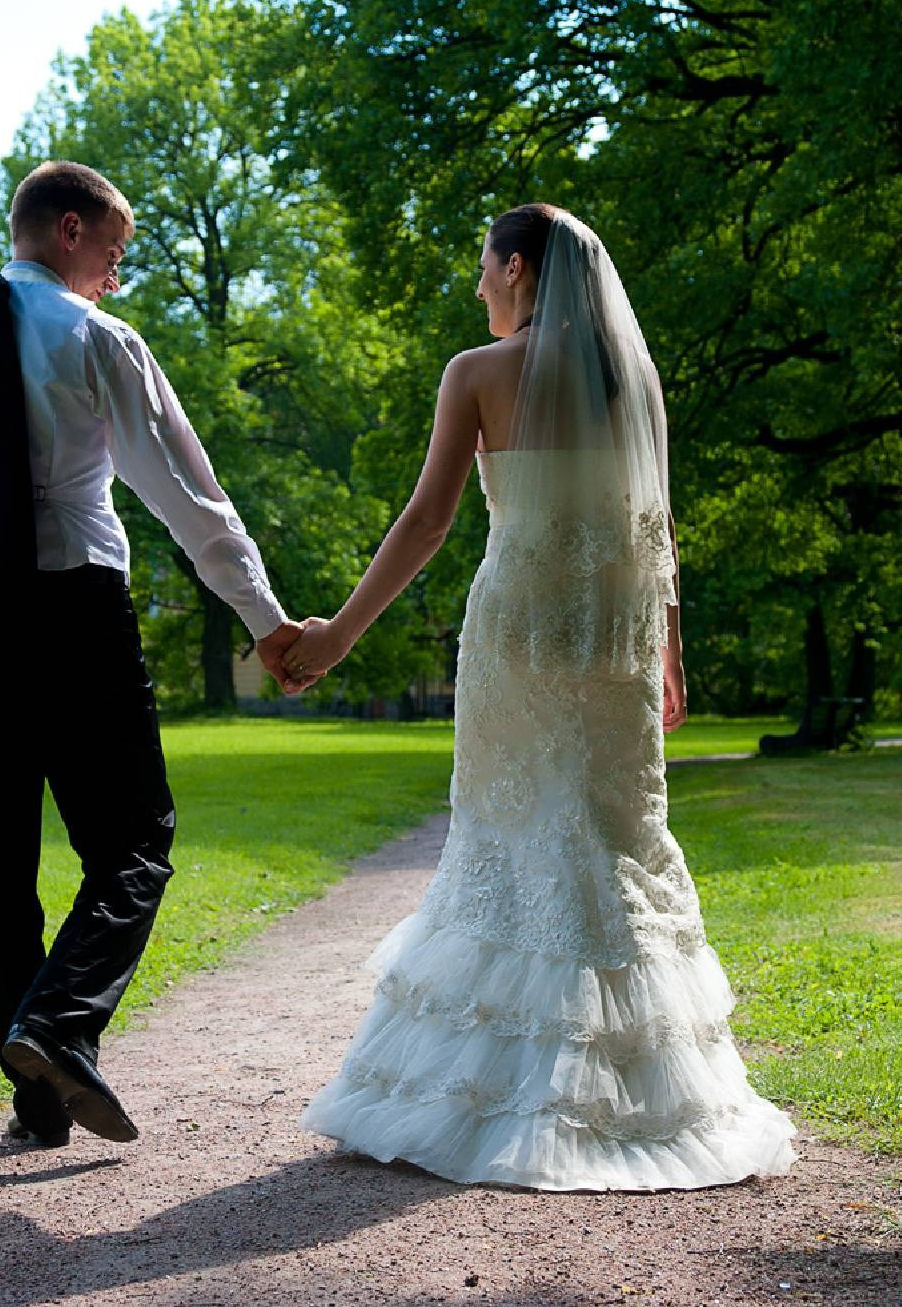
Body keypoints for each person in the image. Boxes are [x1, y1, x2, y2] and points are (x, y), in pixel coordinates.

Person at [283, 204, 797, 1190]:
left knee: (515, 834)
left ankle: (485, 1086)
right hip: (612, 634)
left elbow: (430, 519)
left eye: (483, 269)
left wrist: (337, 635)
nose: (478, 288)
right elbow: (654, 526)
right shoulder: (632, 380)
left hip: (519, 628)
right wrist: (669, 650)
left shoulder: (476, 375)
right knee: (607, 838)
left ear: (517, 269)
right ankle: (647, 1091)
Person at [0, 160, 304, 1147]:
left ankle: (37, 1100)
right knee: (135, 841)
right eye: (113, 253)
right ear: (66, 231)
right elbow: (188, 496)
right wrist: (264, 619)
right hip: (73, 611)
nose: (113, 274)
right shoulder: (94, 337)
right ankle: (57, 1025)